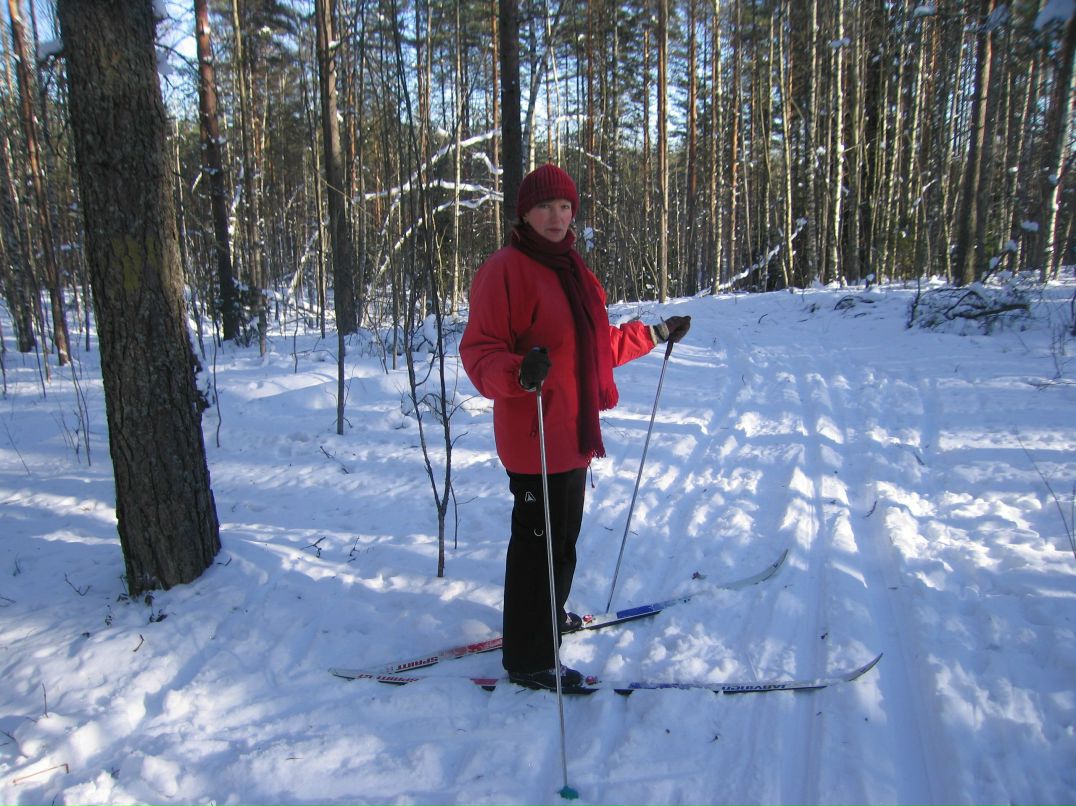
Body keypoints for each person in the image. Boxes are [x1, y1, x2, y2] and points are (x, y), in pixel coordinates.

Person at [460, 163, 690, 690]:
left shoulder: (574, 272)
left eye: (564, 206)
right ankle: (529, 659)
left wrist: (654, 333)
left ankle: (549, 616)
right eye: (545, 207)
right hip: (534, 438)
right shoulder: (505, 270)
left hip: (573, 437)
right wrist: (520, 372)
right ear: (525, 213)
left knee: (563, 543)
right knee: (535, 549)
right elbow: (479, 353)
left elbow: (596, 348)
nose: (557, 216)